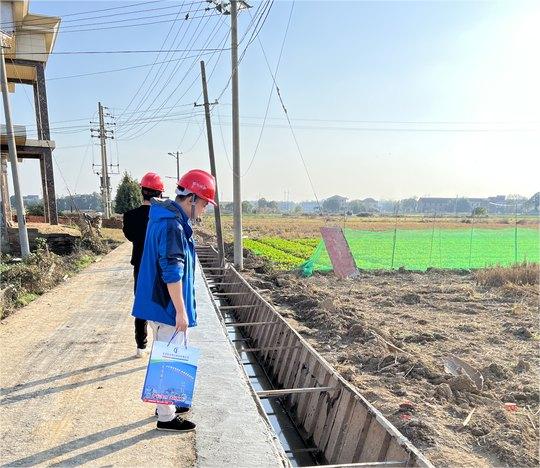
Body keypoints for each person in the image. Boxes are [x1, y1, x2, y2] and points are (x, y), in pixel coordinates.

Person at [132, 169, 216, 432]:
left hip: (162, 303)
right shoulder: (172, 225)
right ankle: (166, 417)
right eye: (203, 204)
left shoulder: (169, 219)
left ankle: (169, 403)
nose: (203, 210)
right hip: (166, 305)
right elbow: (172, 271)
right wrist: (181, 310)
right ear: (191, 198)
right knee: (168, 357)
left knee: (170, 352)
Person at [122, 172, 164, 357]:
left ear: (142, 192)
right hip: (160, 266)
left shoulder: (130, 216)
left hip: (140, 266)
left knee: (141, 304)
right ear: (160, 193)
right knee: (162, 304)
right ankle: (161, 346)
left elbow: (130, 236)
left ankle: (141, 346)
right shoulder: (163, 217)